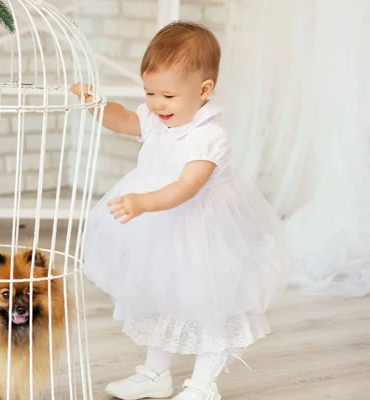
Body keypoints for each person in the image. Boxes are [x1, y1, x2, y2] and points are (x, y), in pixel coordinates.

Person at [71, 21, 290, 400]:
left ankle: (203, 385)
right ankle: (155, 373)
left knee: (206, 302)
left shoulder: (209, 137)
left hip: (201, 229)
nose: (156, 104)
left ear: (203, 90)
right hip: (161, 228)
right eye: (149, 92)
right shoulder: (156, 119)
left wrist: (143, 202)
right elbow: (123, 119)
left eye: (167, 96)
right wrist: (96, 105)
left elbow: (188, 187)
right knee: (163, 295)